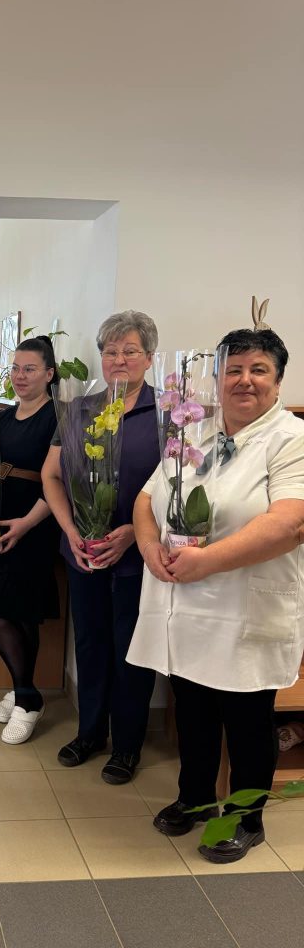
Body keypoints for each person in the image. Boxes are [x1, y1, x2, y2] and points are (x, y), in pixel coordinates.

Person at [129, 327, 304, 862]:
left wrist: (207, 561)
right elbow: (146, 498)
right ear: (219, 377)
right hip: (186, 605)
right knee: (194, 708)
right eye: (234, 369)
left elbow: (291, 523)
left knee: (248, 720)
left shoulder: (291, 439)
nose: (244, 380)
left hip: (245, 606)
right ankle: (196, 798)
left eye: (259, 370)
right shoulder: (194, 431)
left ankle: (246, 819)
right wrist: (148, 546)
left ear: (278, 382)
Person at [42, 310, 160, 783]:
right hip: (83, 554)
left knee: (131, 650)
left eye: (130, 350)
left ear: (149, 358)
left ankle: (127, 745)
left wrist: (135, 531)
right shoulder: (78, 410)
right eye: (110, 351)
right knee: (90, 644)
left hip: (139, 557)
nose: (119, 359)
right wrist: (71, 531)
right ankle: (90, 732)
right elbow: (52, 476)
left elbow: (180, 486)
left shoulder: (168, 412)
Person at [0, 336, 61, 743]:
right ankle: (24, 688)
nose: (20, 376)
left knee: (21, 613)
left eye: (30, 369)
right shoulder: (2, 418)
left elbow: (60, 479)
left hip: (34, 524)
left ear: (49, 374)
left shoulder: (57, 418)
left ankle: (26, 699)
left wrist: (26, 524)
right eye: (15, 368)